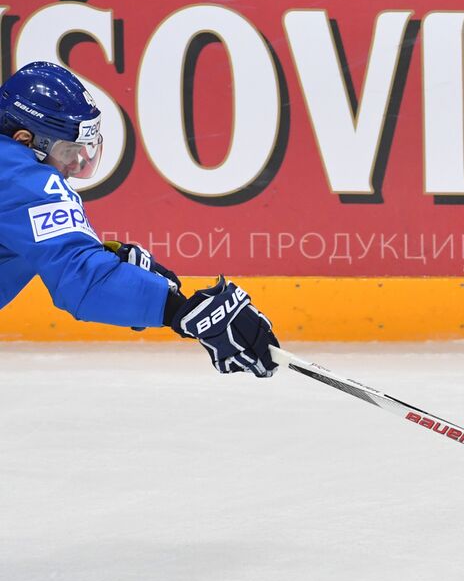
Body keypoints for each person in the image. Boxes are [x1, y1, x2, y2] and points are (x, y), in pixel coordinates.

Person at [0, 61, 278, 377]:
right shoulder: (24, 177)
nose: (74, 165)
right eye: (67, 152)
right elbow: (83, 281)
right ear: (24, 140)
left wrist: (104, 257)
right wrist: (184, 313)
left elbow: (28, 238)